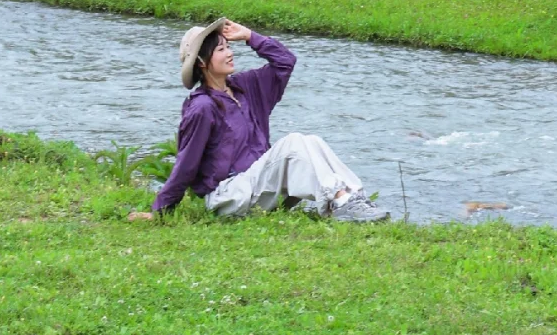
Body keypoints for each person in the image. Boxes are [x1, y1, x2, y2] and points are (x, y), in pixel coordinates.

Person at [129, 18, 388, 223]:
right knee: (294, 142)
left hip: (261, 188)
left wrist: (251, 37)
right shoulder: (202, 107)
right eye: (221, 49)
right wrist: (160, 210)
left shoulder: (245, 86)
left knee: (312, 141)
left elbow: (285, 62)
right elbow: (186, 163)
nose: (230, 53)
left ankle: (353, 199)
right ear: (201, 62)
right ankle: (341, 201)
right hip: (227, 198)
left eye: (228, 46)